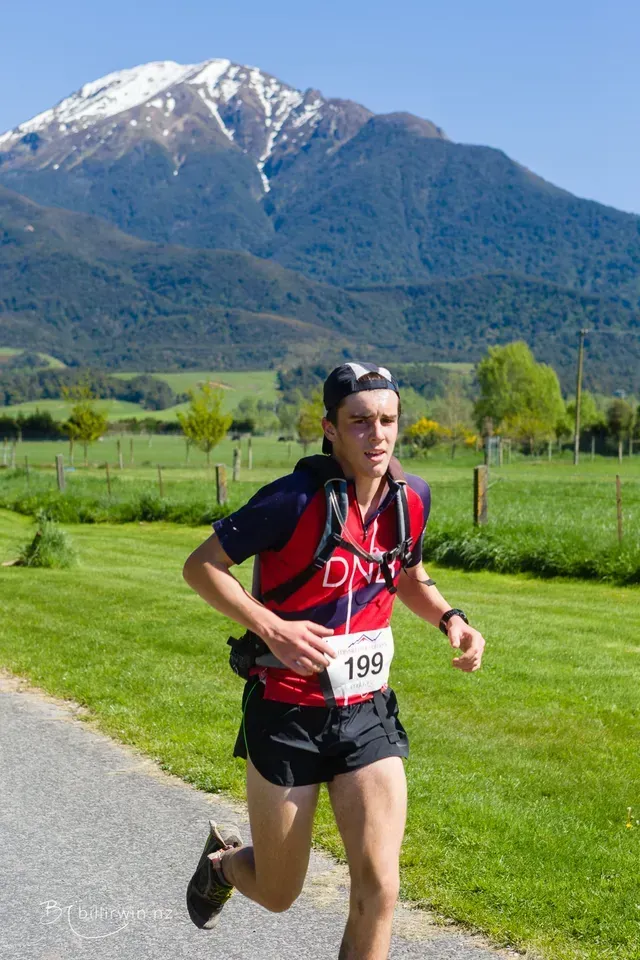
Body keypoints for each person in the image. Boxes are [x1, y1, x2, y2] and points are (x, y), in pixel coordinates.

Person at [182, 361, 486, 960]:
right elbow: (202, 567)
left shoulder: (410, 498)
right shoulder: (293, 500)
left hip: (366, 712)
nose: (378, 435)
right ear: (330, 428)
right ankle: (223, 866)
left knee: (380, 887)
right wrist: (274, 628)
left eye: (388, 420)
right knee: (277, 891)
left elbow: (405, 574)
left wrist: (453, 618)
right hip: (287, 714)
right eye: (360, 423)